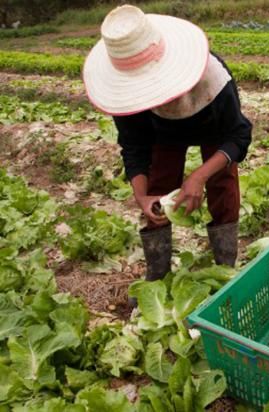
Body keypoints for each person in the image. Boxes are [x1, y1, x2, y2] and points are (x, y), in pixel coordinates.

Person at [83, 5, 252, 291]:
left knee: (222, 183)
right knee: (157, 186)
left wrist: (199, 176)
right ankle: (157, 274)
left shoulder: (213, 77)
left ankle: (226, 268)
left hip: (212, 126)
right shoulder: (126, 94)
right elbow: (134, 146)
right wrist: (141, 197)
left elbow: (238, 135)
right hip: (163, 133)